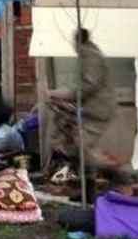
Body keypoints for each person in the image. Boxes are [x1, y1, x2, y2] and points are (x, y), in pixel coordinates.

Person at [47, 29, 131, 200]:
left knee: (84, 150)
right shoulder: (88, 56)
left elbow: (88, 86)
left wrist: (60, 94)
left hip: (97, 111)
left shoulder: (91, 57)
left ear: (79, 41)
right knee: (82, 148)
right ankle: (87, 191)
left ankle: (117, 175)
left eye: (74, 42)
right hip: (93, 110)